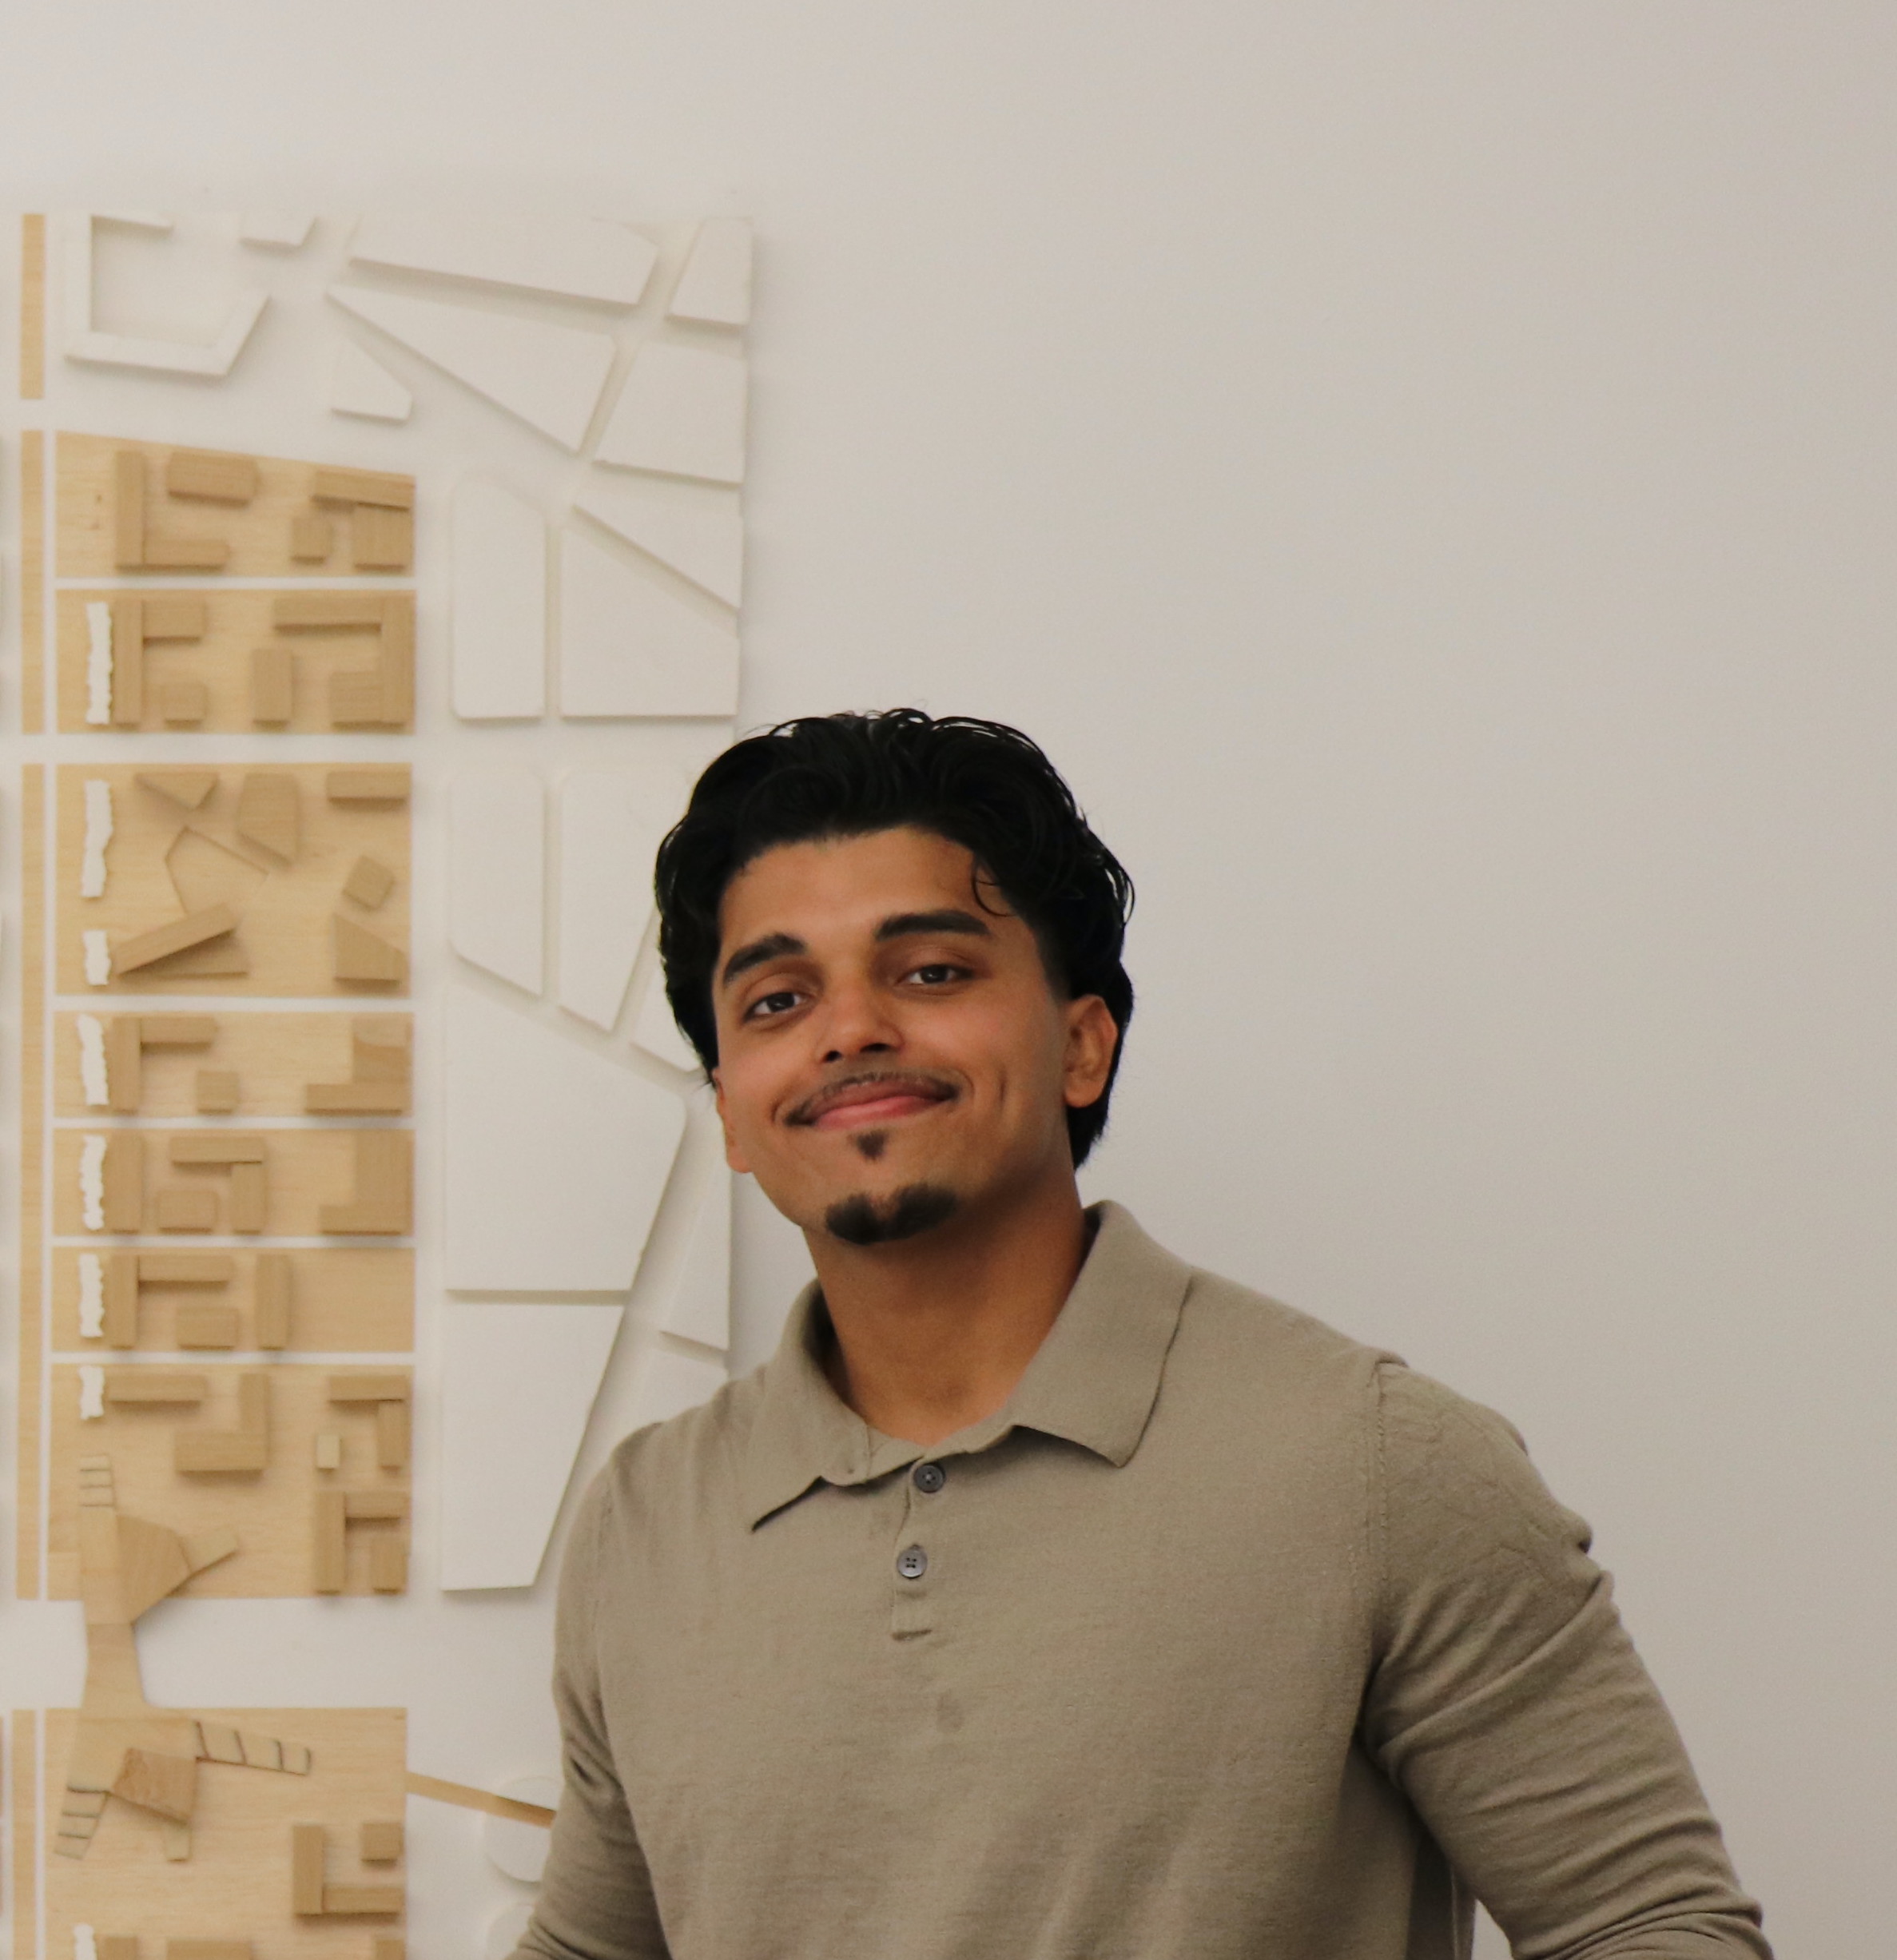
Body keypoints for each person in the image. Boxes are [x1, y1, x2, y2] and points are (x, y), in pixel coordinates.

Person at [514, 710, 1770, 1960]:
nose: (850, 1031)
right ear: (732, 1110)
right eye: (779, 998)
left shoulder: (1377, 1463)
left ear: (1080, 1042)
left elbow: (1656, 1930)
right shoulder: (645, 1522)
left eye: (930, 971)